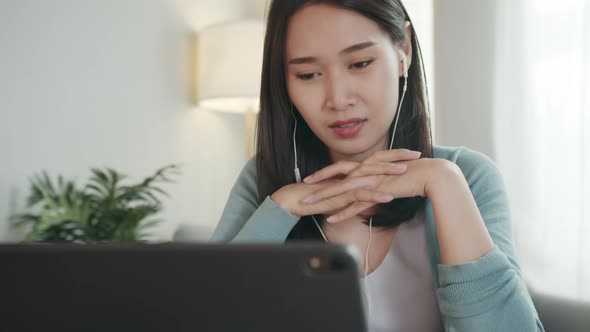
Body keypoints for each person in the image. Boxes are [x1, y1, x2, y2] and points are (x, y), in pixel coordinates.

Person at [210, 0, 544, 331]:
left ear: (404, 51)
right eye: (308, 74)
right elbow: (204, 315)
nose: (338, 99)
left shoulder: (467, 177)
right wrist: (281, 209)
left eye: (360, 63)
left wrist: (445, 184)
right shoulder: (264, 180)